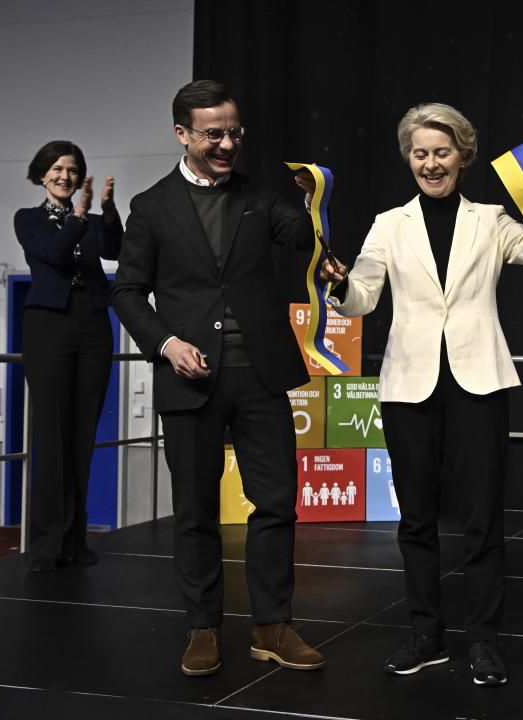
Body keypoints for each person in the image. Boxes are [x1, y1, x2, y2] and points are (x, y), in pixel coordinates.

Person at [321, 102, 523, 687]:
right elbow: (363, 297)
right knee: (417, 520)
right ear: (408, 159)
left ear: (464, 156)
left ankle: (484, 640)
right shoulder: (388, 224)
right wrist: (339, 283)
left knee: (482, 520)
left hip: (479, 379)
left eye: (442, 151)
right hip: (410, 383)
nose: (431, 163)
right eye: (420, 153)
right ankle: (425, 633)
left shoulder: (493, 219)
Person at [111, 80, 325, 677]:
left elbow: (302, 241)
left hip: (262, 373)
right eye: (214, 133)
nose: (228, 143)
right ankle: (203, 628)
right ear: (182, 134)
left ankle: (272, 625)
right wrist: (165, 342)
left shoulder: (264, 195)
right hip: (190, 381)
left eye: (235, 131)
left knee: (278, 504)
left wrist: (313, 203)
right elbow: (126, 292)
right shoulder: (151, 207)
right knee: (196, 510)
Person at [14, 141, 122, 573]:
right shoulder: (28, 220)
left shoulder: (92, 221)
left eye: (72, 169)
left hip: (93, 325)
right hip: (48, 327)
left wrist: (109, 211)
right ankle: (47, 545)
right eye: (56, 169)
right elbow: (55, 253)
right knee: (53, 436)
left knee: (82, 436)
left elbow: (114, 249)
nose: (65, 175)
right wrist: (79, 219)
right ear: (42, 175)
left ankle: (76, 541)